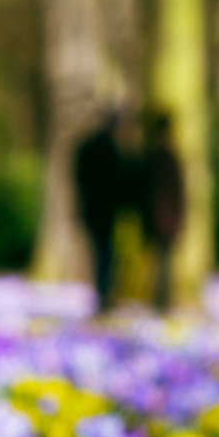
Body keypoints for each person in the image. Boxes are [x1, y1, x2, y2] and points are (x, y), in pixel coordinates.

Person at [74, 111, 126, 315]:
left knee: (100, 253)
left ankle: (101, 295)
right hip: (106, 211)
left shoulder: (88, 147)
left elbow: (80, 176)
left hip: (92, 209)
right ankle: (104, 295)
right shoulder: (110, 149)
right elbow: (118, 180)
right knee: (106, 254)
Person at [141, 113, 185, 312]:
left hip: (158, 219)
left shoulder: (153, 156)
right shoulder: (166, 157)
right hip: (165, 219)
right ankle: (160, 300)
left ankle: (160, 300)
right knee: (162, 263)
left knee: (161, 263)